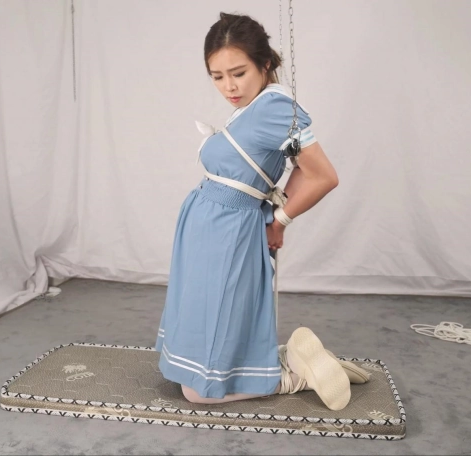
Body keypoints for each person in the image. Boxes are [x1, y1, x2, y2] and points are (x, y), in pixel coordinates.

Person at [155, 12, 351, 411]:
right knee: (194, 359)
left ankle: (290, 378)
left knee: (197, 392)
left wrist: (280, 220)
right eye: (217, 76)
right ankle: (278, 361)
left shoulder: (274, 107)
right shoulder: (252, 106)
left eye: (238, 73)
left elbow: (322, 175)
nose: (228, 86)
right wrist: (277, 216)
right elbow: (295, 168)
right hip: (211, 231)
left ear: (264, 64)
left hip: (230, 234)